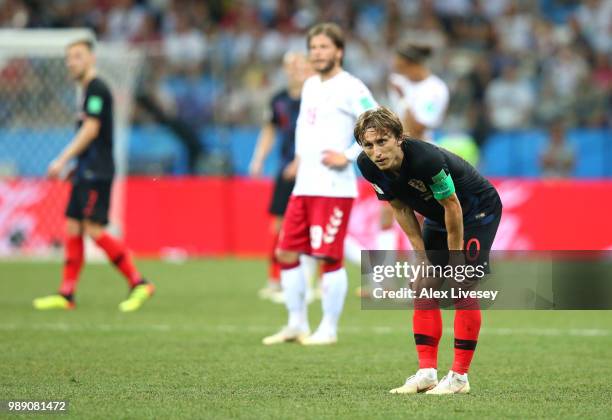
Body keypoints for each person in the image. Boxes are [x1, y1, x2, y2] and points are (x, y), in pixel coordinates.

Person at [354, 107, 502, 394]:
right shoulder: (367, 165)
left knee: (461, 284)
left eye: (382, 142)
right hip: (437, 217)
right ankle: (426, 373)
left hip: (476, 210)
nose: (376, 151)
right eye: (369, 145)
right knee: (423, 284)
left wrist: (457, 260)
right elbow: (399, 207)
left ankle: (459, 378)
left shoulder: (426, 159)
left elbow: (453, 206)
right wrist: (421, 258)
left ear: (399, 138)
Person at [262, 22, 377, 346]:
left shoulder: (352, 87)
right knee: (286, 252)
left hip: (333, 188)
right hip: (304, 185)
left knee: (328, 257)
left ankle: (328, 328)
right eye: (313, 48)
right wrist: (299, 158)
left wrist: (349, 155)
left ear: (339, 52)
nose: (317, 53)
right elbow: (304, 128)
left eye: (324, 47)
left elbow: (378, 121)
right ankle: (296, 323)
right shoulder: (311, 85)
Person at [33, 39, 154, 312]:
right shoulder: (87, 91)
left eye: (77, 56)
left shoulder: (97, 89)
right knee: (72, 227)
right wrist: (76, 165)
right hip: (85, 169)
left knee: (94, 230)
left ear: (91, 58)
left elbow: (91, 130)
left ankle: (139, 282)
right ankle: (67, 293)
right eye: (69, 57)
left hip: (97, 172)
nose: (71, 62)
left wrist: (62, 160)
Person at [249, 51, 315, 303]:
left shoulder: (316, 96)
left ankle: (314, 281)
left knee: (311, 224)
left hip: (311, 168)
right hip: (285, 169)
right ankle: (275, 279)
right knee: (278, 225)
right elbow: (270, 130)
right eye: (290, 65)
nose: (294, 68)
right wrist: (258, 158)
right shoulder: (278, 99)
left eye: (299, 63)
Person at [388, 41, 449, 141]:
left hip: (421, 148)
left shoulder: (436, 89)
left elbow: (417, 130)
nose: (397, 71)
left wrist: (403, 99)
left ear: (414, 65)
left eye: (400, 67)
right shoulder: (397, 80)